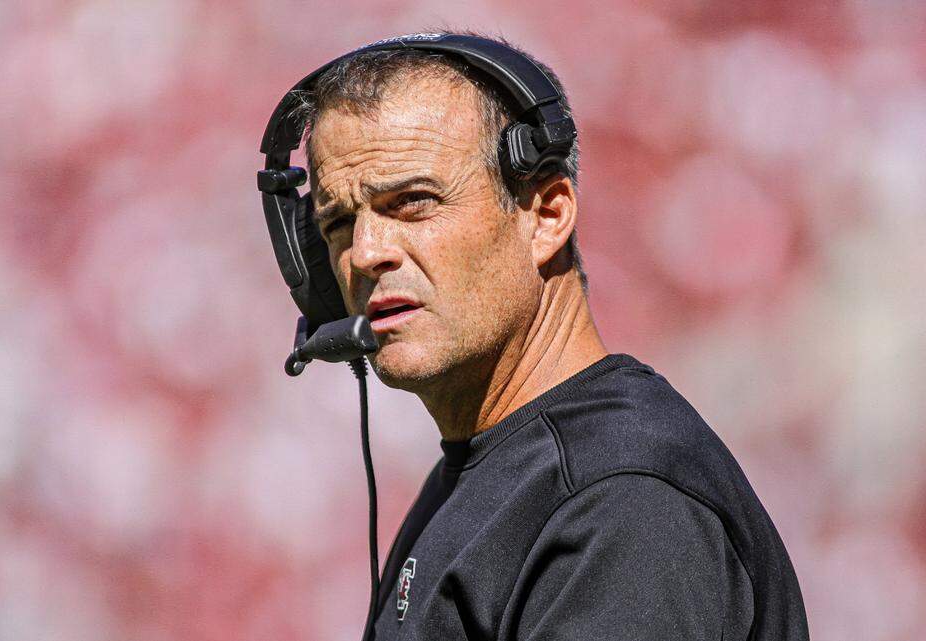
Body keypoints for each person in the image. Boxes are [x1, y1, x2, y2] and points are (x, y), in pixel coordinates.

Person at [290, 31, 808, 641]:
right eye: (340, 222)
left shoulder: (622, 505)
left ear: (547, 216)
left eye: (412, 203)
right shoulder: (494, 469)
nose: (367, 253)